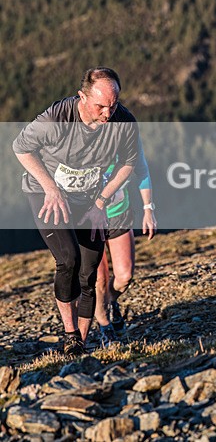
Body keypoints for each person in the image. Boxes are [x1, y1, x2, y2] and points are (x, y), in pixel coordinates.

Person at [13, 67, 139, 356]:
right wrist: (51, 188)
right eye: (100, 106)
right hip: (47, 194)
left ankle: (80, 343)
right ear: (83, 97)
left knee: (89, 270)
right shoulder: (58, 117)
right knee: (68, 259)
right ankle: (69, 334)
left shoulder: (123, 121)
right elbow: (21, 148)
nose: (107, 113)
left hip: (89, 200)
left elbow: (128, 163)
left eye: (113, 105)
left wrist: (101, 202)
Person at [93, 137, 156, 346]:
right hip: (88, 219)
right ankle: (105, 327)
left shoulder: (127, 138)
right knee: (99, 279)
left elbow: (142, 172)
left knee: (125, 276)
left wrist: (148, 209)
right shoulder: (82, 138)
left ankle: (110, 301)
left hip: (119, 214)